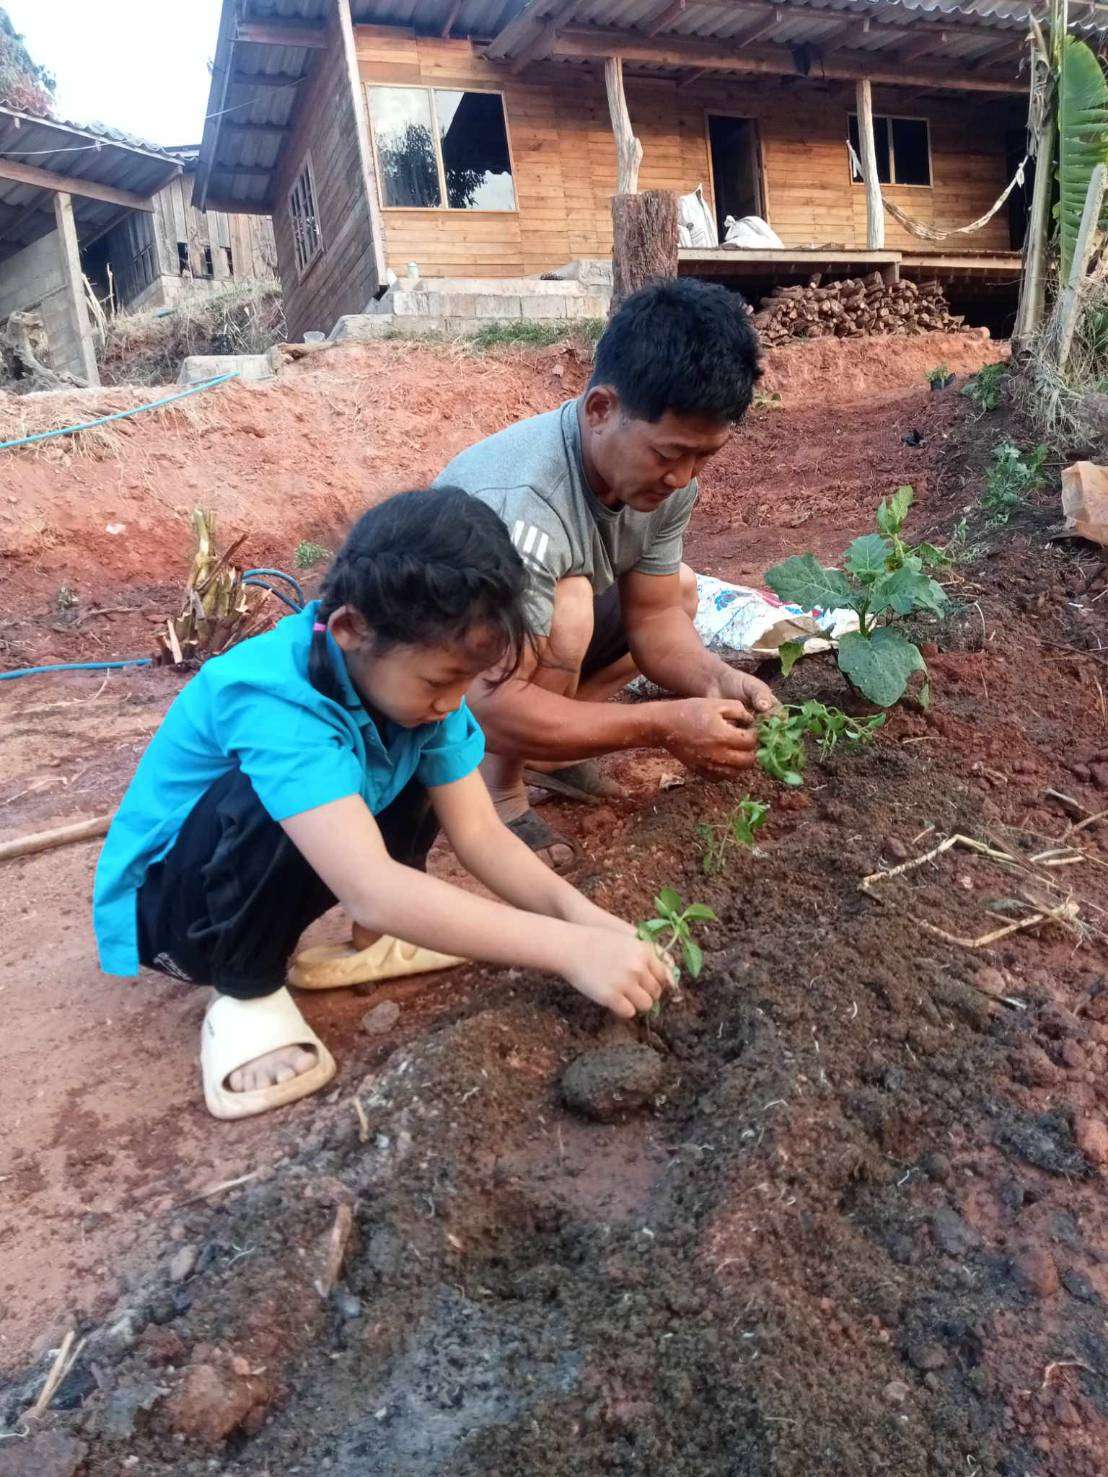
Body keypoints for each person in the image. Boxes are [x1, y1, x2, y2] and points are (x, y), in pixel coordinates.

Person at [92, 489, 673, 1121]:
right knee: (287, 788)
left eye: (464, 681)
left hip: (289, 853)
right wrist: (569, 954)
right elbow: (370, 886)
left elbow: (481, 834)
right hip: (178, 902)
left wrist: (585, 921)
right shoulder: (273, 698)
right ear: (349, 628)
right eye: (438, 681)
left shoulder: (409, 687)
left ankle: (378, 942)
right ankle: (243, 989)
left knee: (413, 744)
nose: (454, 702)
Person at [435, 277, 775, 872]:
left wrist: (718, 680)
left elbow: (655, 618)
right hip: (447, 679)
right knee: (570, 609)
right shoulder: (527, 501)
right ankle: (497, 788)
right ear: (600, 410)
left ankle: (557, 746)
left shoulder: (663, 479)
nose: (684, 479)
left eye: (703, 457)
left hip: (518, 652)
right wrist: (662, 724)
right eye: (669, 455)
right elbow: (486, 699)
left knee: (682, 589)